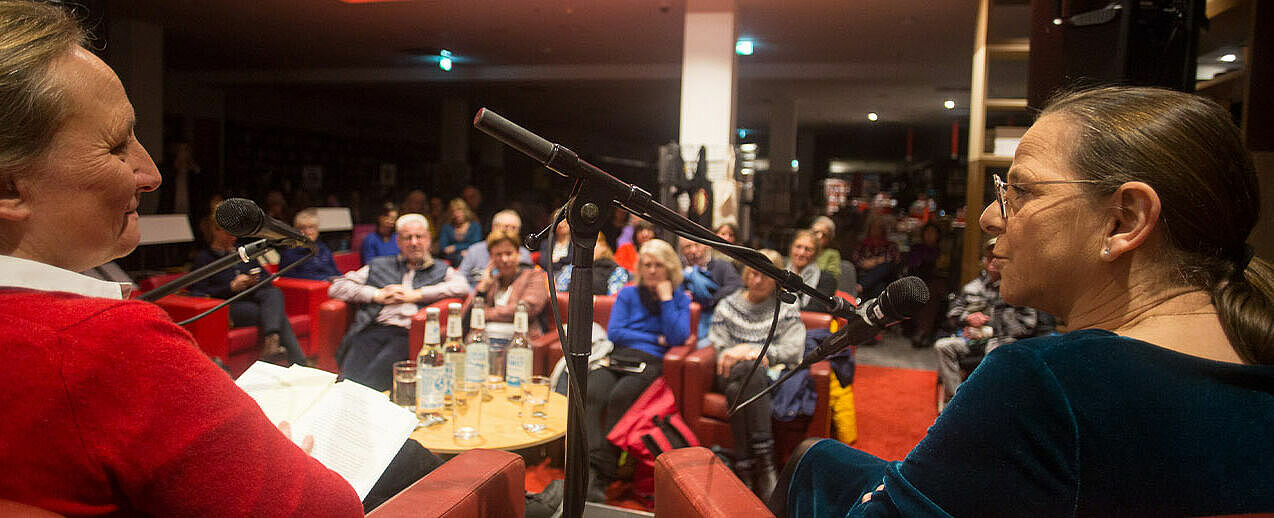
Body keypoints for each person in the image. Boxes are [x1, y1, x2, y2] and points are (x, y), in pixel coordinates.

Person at [782, 86, 1274, 517]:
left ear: (1124, 220)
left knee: (812, 460)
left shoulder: (1045, 382)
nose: (989, 219)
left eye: (1020, 192)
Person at [0, 2, 363, 513]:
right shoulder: (106, 344)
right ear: (9, 186)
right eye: (115, 145)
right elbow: (329, 510)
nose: (151, 174)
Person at [586, 239, 690, 502]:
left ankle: (602, 473)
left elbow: (677, 337)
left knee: (620, 397)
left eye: (658, 265)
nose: (652, 270)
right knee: (593, 390)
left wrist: (666, 300)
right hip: (619, 357)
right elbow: (616, 333)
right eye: (647, 264)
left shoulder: (679, 297)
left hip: (650, 362)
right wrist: (656, 337)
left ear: (669, 267)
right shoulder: (628, 293)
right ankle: (590, 466)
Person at [329, 214, 469, 391]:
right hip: (374, 327)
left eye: (419, 237)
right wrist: (376, 294)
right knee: (347, 379)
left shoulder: (440, 269)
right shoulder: (379, 265)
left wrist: (418, 294)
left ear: (428, 239)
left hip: (407, 332)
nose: (414, 242)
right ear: (398, 242)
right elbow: (337, 287)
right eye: (407, 237)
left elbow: (462, 287)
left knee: (373, 378)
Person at [706, 249, 805, 500]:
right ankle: (766, 463)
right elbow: (720, 351)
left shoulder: (785, 308)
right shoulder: (727, 306)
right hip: (729, 373)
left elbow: (794, 350)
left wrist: (749, 351)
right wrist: (744, 356)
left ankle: (745, 465)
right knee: (749, 370)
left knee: (746, 377)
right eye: (753, 273)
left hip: (769, 380)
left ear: (776, 279)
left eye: (765, 275)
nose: (757, 280)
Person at [934, 237, 1043, 403]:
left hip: (1001, 340)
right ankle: (957, 402)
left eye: (998, 256)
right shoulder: (973, 287)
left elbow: (1028, 323)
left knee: (995, 352)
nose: (992, 260)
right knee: (942, 346)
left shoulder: (1018, 289)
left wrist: (989, 328)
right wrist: (967, 319)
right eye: (989, 256)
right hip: (971, 340)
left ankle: (987, 405)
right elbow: (953, 313)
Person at [192, 219, 307, 366]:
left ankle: (273, 341)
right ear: (216, 231)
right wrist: (231, 287)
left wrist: (254, 281)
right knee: (272, 313)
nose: (234, 237)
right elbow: (199, 292)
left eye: (236, 234)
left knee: (274, 293)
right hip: (229, 305)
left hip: (253, 296)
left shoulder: (242, 252)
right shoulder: (204, 258)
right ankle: (297, 360)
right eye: (229, 233)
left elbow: (267, 278)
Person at [472, 231, 549, 343]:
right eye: (498, 255)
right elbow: (468, 316)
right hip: (487, 338)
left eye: (509, 253)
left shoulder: (535, 275)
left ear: (518, 254)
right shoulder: (492, 280)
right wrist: (483, 287)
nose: (504, 260)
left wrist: (484, 314)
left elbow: (526, 308)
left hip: (522, 339)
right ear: (491, 257)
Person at [679, 235, 742, 343]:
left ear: (707, 246)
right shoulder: (679, 270)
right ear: (682, 251)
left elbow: (736, 285)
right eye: (688, 247)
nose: (693, 250)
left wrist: (711, 299)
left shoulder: (722, 266)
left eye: (697, 245)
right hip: (686, 322)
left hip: (718, 322)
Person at [456, 209, 532, 286]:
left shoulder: (522, 253)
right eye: (506, 227)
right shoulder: (474, 250)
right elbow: (461, 277)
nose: (509, 231)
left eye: (514, 228)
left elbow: (525, 283)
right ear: (494, 227)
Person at [900, 222, 947, 347]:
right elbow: (912, 267)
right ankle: (921, 332)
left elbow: (942, 271)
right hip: (917, 280)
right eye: (927, 232)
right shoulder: (917, 249)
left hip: (935, 283)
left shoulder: (941, 252)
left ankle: (923, 332)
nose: (930, 235)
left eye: (933, 232)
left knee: (932, 293)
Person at [555, 232, 630, 296]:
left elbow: (613, 299)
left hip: (600, 310)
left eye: (591, 244)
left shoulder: (617, 271)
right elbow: (560, 291)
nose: (586, 249)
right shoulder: (573, 267)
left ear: (603, 247)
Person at [279, 208, 342, 281]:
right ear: (296, 231)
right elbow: (288, 278)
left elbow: (335, 271)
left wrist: (342, 278)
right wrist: (326, 279)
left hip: (331, 285)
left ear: (317, 230)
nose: (307, 232)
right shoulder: (290, 253)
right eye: (302, 228)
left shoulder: (323, 248)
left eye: (311, 227)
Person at [786, 229, 837, 313]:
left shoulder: (826, 279)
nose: (802, 253)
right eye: (798, 247)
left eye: (808, 249)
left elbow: (818, 310)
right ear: (791, 248)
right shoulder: (780, 273)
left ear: (816, 254)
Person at [851, 215, 900, 300]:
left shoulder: (891, 245)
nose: (878, 230)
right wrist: (868, 263)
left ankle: (862, 286)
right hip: (864, 274)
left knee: (885, 267)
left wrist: (875, 261)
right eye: (875, 227)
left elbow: (894, 259)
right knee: (878, 286)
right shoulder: (862, 245)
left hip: (884, 278)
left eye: (880, 227)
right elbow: (856, 260)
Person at [438, 197, 483, 266]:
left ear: (465, 211)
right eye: (453, 211)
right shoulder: (447, 227)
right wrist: (461, 250)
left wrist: (456, 247)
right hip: (451, 258)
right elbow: (443, 247)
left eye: (459, 210)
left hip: (471, 256)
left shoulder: (475, 226)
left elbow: (476, 244)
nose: (456, 214)